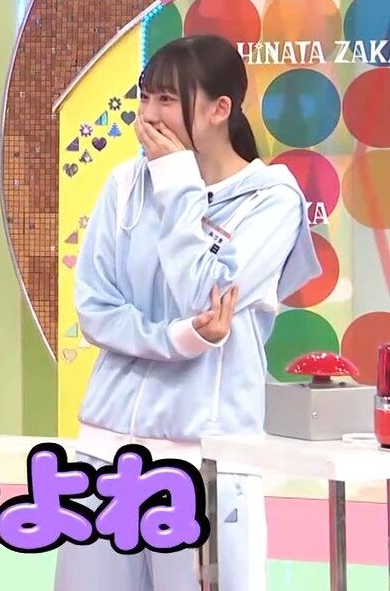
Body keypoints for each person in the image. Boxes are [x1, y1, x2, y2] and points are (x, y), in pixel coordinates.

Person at [54, 34, 321, 590]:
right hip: (106, 451)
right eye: (145, 97)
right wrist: (179, 338)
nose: (149, 116)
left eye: (168, 100)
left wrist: (177, 181)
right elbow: (96, 309)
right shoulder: (125, 184)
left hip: (206, 459)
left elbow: (206, 293)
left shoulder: (271, 199)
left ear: (220, 109)